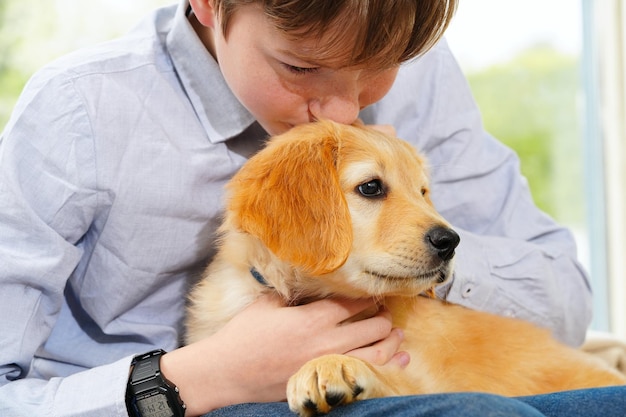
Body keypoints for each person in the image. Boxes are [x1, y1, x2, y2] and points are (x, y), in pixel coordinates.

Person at [1, 1, 623, 416]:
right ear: (210, 4)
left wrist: (412, 254)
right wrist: (202, 376)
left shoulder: (420, 66)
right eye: (300, 67)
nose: (347, 112)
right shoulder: (78, 110)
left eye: (379, 70)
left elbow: (562, 299)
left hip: (405, 372)